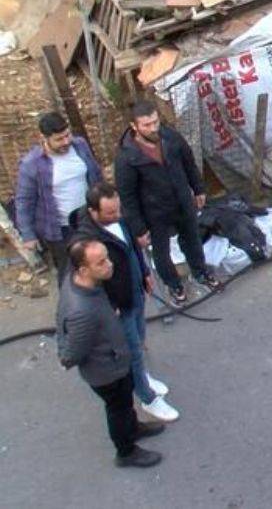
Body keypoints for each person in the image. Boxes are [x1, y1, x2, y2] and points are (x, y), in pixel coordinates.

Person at [70, 182, 178, 422]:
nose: (117, 216)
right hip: (119, 304)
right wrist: (108, 306)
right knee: (132, 352)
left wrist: (144, 272)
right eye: (110, 213)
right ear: (92, 212)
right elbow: (85, 279)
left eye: (118, 210)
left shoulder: (118, 218)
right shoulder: (86, 242)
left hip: (135, 291)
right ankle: (147, 398)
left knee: (139, 340)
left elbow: (132, 247)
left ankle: (142, 376)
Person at [57, 239, 164, 468]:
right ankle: (126, 452)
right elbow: (72, 353)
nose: (110, 265)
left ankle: (133, 428)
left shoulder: (79, 282)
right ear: (84, 270)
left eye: (107, 257)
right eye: (101, 262)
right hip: (107, 371)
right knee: (118, 409)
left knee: (125, 404)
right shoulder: (82, 311)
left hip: (115, 362)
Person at [114, 101, 217, 305]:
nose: (153, 128)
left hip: (182, 202)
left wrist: (198, 189)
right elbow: (127, 196)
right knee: (161, 253)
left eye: (155, 122)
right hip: (154, 213)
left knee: (192, 240)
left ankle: (201, 272)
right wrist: (139, 228)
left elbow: (188, 162)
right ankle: (174, 284)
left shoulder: (170, 137)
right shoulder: (127, 158)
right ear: (134, 126)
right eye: (147, 125)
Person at [15, 112, 103, 272]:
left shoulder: (80, 145)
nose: (66, 141)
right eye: (59, 139)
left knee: (99, 266)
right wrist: (28, 234)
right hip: (61, 230)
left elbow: (96, 175)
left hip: (90, 220)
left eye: (67, 135)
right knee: (70, 273)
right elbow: (24, 201)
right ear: (43, 138)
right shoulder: (31, 164)